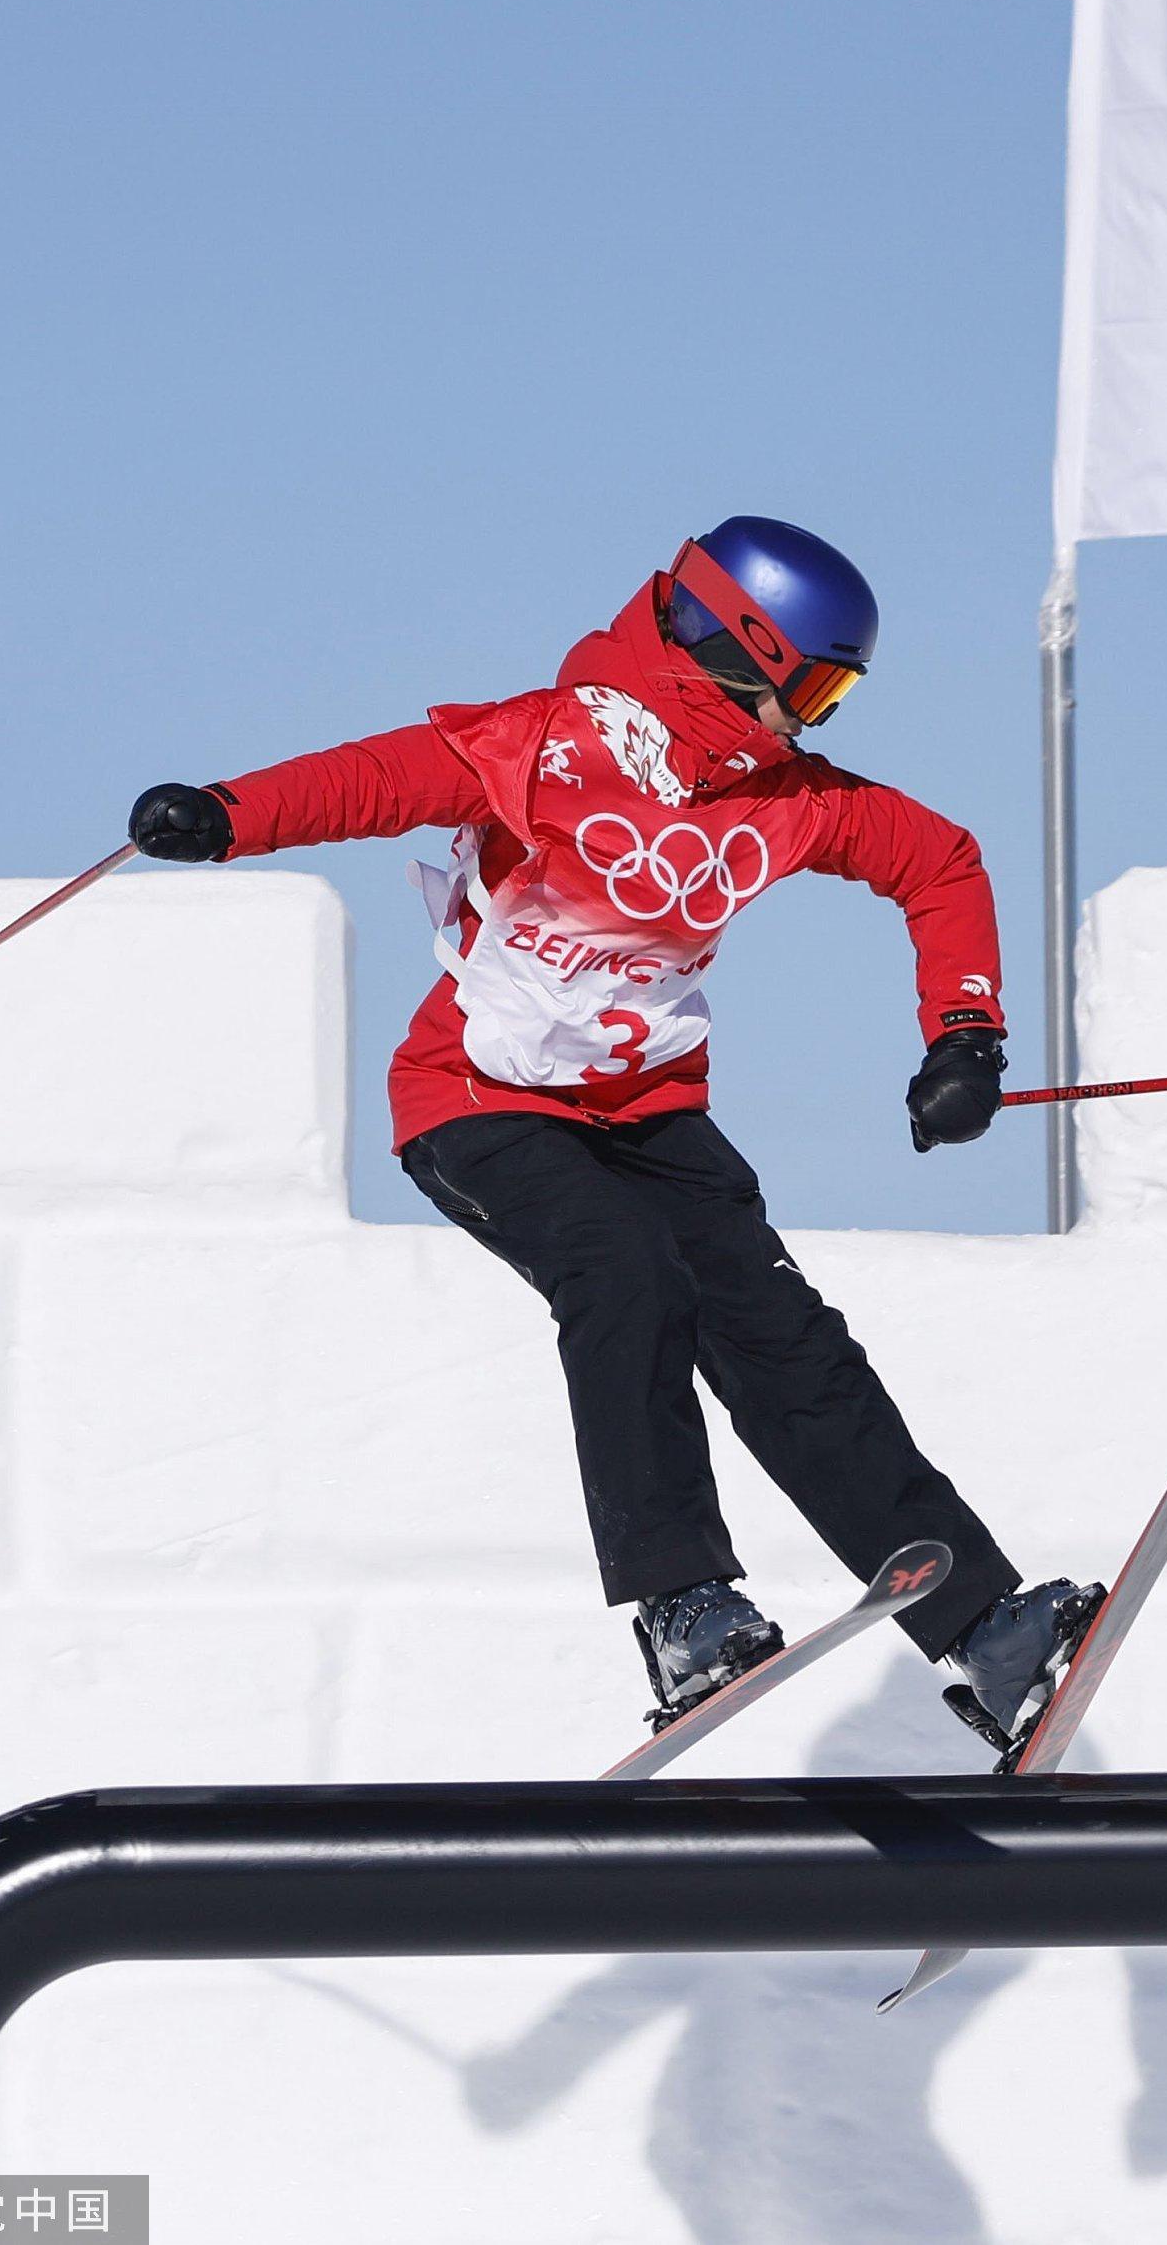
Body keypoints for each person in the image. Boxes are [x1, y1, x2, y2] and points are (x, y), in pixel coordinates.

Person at [127, 516, 1098, 1741]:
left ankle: (988, 1634)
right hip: (478, 1102)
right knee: (622, 1268)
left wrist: (964, 1033)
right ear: (747, 651)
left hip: (650, 1113)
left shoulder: (782, 798)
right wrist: (224, 813)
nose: (819, 718)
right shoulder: (542, 743)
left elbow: (938, 862)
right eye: (817, 684)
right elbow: (370, 780)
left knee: (785, 1342)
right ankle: (683, 1607)